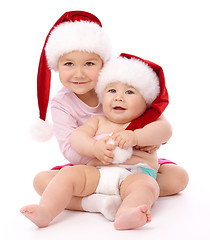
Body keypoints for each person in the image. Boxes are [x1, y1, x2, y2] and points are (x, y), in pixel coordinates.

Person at [30, 11, 188, 221]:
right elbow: (73, 143)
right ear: (56, 66)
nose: (79, 74)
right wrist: (100, 148)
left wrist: (141, 138)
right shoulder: (65, 105)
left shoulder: (118, 86)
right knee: (43, 181)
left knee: (177, 177)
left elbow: (163, 129)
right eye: (69, 64)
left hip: (135, 169)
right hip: (93, 167)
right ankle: (94, 203)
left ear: (104, 65)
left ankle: (128, 206)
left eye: (89, 64)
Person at [20, 54, 169, 230]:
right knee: (67, 175)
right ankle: (46, 210)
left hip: (135, 174)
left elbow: (165, 131)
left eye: (129, 92)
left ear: (147, 100)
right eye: (111, 91)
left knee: (147, 186)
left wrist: (136, 137)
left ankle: (126, 213)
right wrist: (94, 147)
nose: (119, 97)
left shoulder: (148, 120)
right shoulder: (99, 121)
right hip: (98, 172)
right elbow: (77, 138)